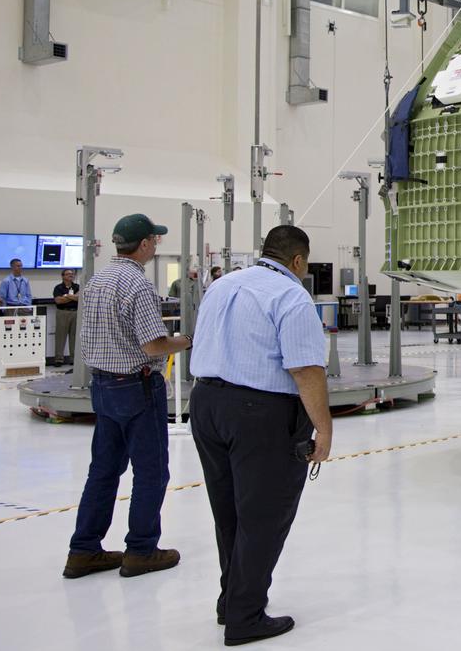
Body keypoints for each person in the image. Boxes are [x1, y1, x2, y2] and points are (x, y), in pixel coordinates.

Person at [189, 225, 332, 646]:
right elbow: (306, 370)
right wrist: (323, 428)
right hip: (259, 413)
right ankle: (246, 617)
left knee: (229, 510)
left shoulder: (223, 285)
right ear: (298, 261)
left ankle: (230, 601)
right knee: (263, 516)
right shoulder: (291, 297)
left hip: (206, 404)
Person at [64, 214, 192, 581]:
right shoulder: (137, 285)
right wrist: (184, 341)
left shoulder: (97, 280)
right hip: (137, 386)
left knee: (103, 471)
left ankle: (83, 550)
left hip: (103, 387)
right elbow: (153, 343)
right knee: (151, 472)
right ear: (146, 244)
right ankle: (141, 550)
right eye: (156, 239)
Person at [52, 268, 81, 364]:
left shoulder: (77, 286)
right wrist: (73, 297)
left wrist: (66, 296)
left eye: (72, 274)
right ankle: (59, 359)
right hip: (62, 312)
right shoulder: (58, 288)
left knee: (75, 337)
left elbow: (80, 298)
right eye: (68, 274)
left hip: (75, 312)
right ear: (63, 276)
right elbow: (58, 300)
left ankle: (74, 359)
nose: (71, 275)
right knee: (60, 336)